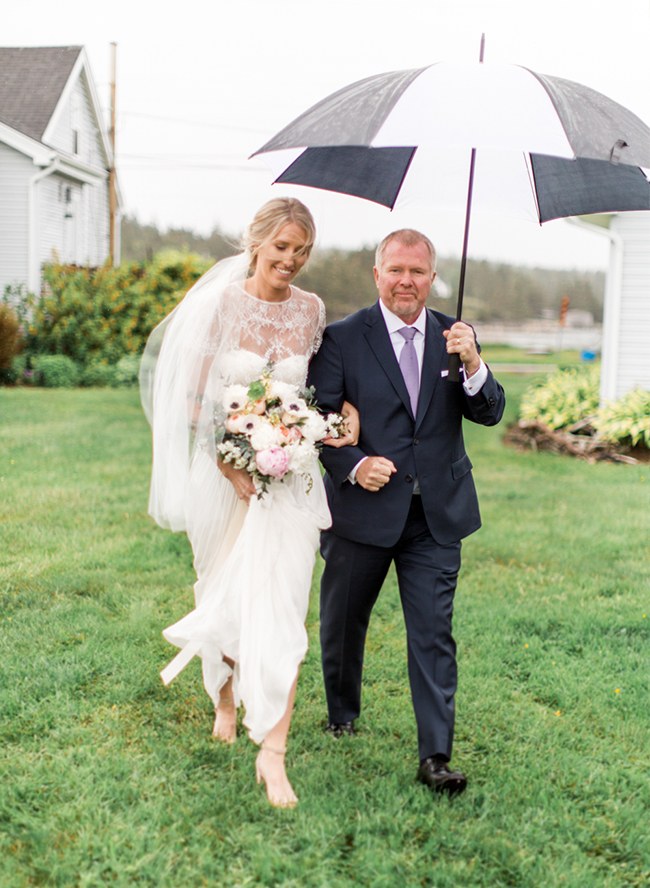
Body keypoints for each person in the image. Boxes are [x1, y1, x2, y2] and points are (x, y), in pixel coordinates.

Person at [139, 198, 357, 808]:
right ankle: (227, 695)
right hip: (226, 476)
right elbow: (192, 397)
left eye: (302, 251)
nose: (291, 260)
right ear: (257, 243)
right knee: (222, 592)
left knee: (283, 604)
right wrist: (227, 460)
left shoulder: (312, 311)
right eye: (283, 247)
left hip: (291, 479)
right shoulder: (223, 304)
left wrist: (332, 422)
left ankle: (274, 752)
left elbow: (319, 390)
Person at [307, 228, 506, 795]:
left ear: (432, 277)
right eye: (396, 269)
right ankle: (342, 713)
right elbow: (317, 424)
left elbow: (490, 412)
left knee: (433, 633)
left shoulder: (455, 337)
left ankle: (436, 757)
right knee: (344, 620)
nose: (406, 281)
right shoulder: (343, 338)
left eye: (417, 271)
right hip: (362, 511)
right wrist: (352, 464)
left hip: (435, 516)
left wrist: (473, 363)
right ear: (377, 274)